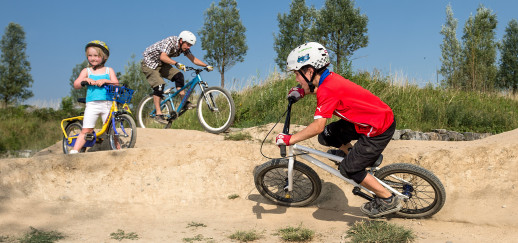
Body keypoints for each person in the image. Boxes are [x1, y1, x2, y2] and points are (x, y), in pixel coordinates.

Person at [275, 42, 402, 218]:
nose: (296, 78)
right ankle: (355, 155)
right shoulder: (328, 79)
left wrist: (290, 139)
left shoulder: (328, 88)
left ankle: (387, 199)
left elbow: (317, 126)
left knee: (348, 170)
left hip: (378, 127)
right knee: (327, 136)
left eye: (297, 73)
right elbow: (322, 93)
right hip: (367, 121)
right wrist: (304, 92)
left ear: (310, 71)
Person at [141, 30, 213, 124]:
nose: (188, 47)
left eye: (190, 45)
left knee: (179, 76)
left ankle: (184, 102)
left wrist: (206, 65)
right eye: (188, 44)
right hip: (149, 64)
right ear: (181, 40)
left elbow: (193, 59)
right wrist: (176, 63)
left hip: (162, 64)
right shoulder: (170, 42)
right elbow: (163, 56)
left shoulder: (185, 47)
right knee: (159, 85)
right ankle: (158, 114)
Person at [70, 40, 120, 154]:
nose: (93, 58)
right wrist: (85, 79)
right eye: (90, 55)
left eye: (96, 56)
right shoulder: (87, 71)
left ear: (104, 57)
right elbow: (76, 84)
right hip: (92, 104)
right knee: (87, 129)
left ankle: (119, 149)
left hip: (108, 103)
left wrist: (106, 80)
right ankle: (74, 151)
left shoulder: (109, 70)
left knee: (112, 129)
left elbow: (116, 84)